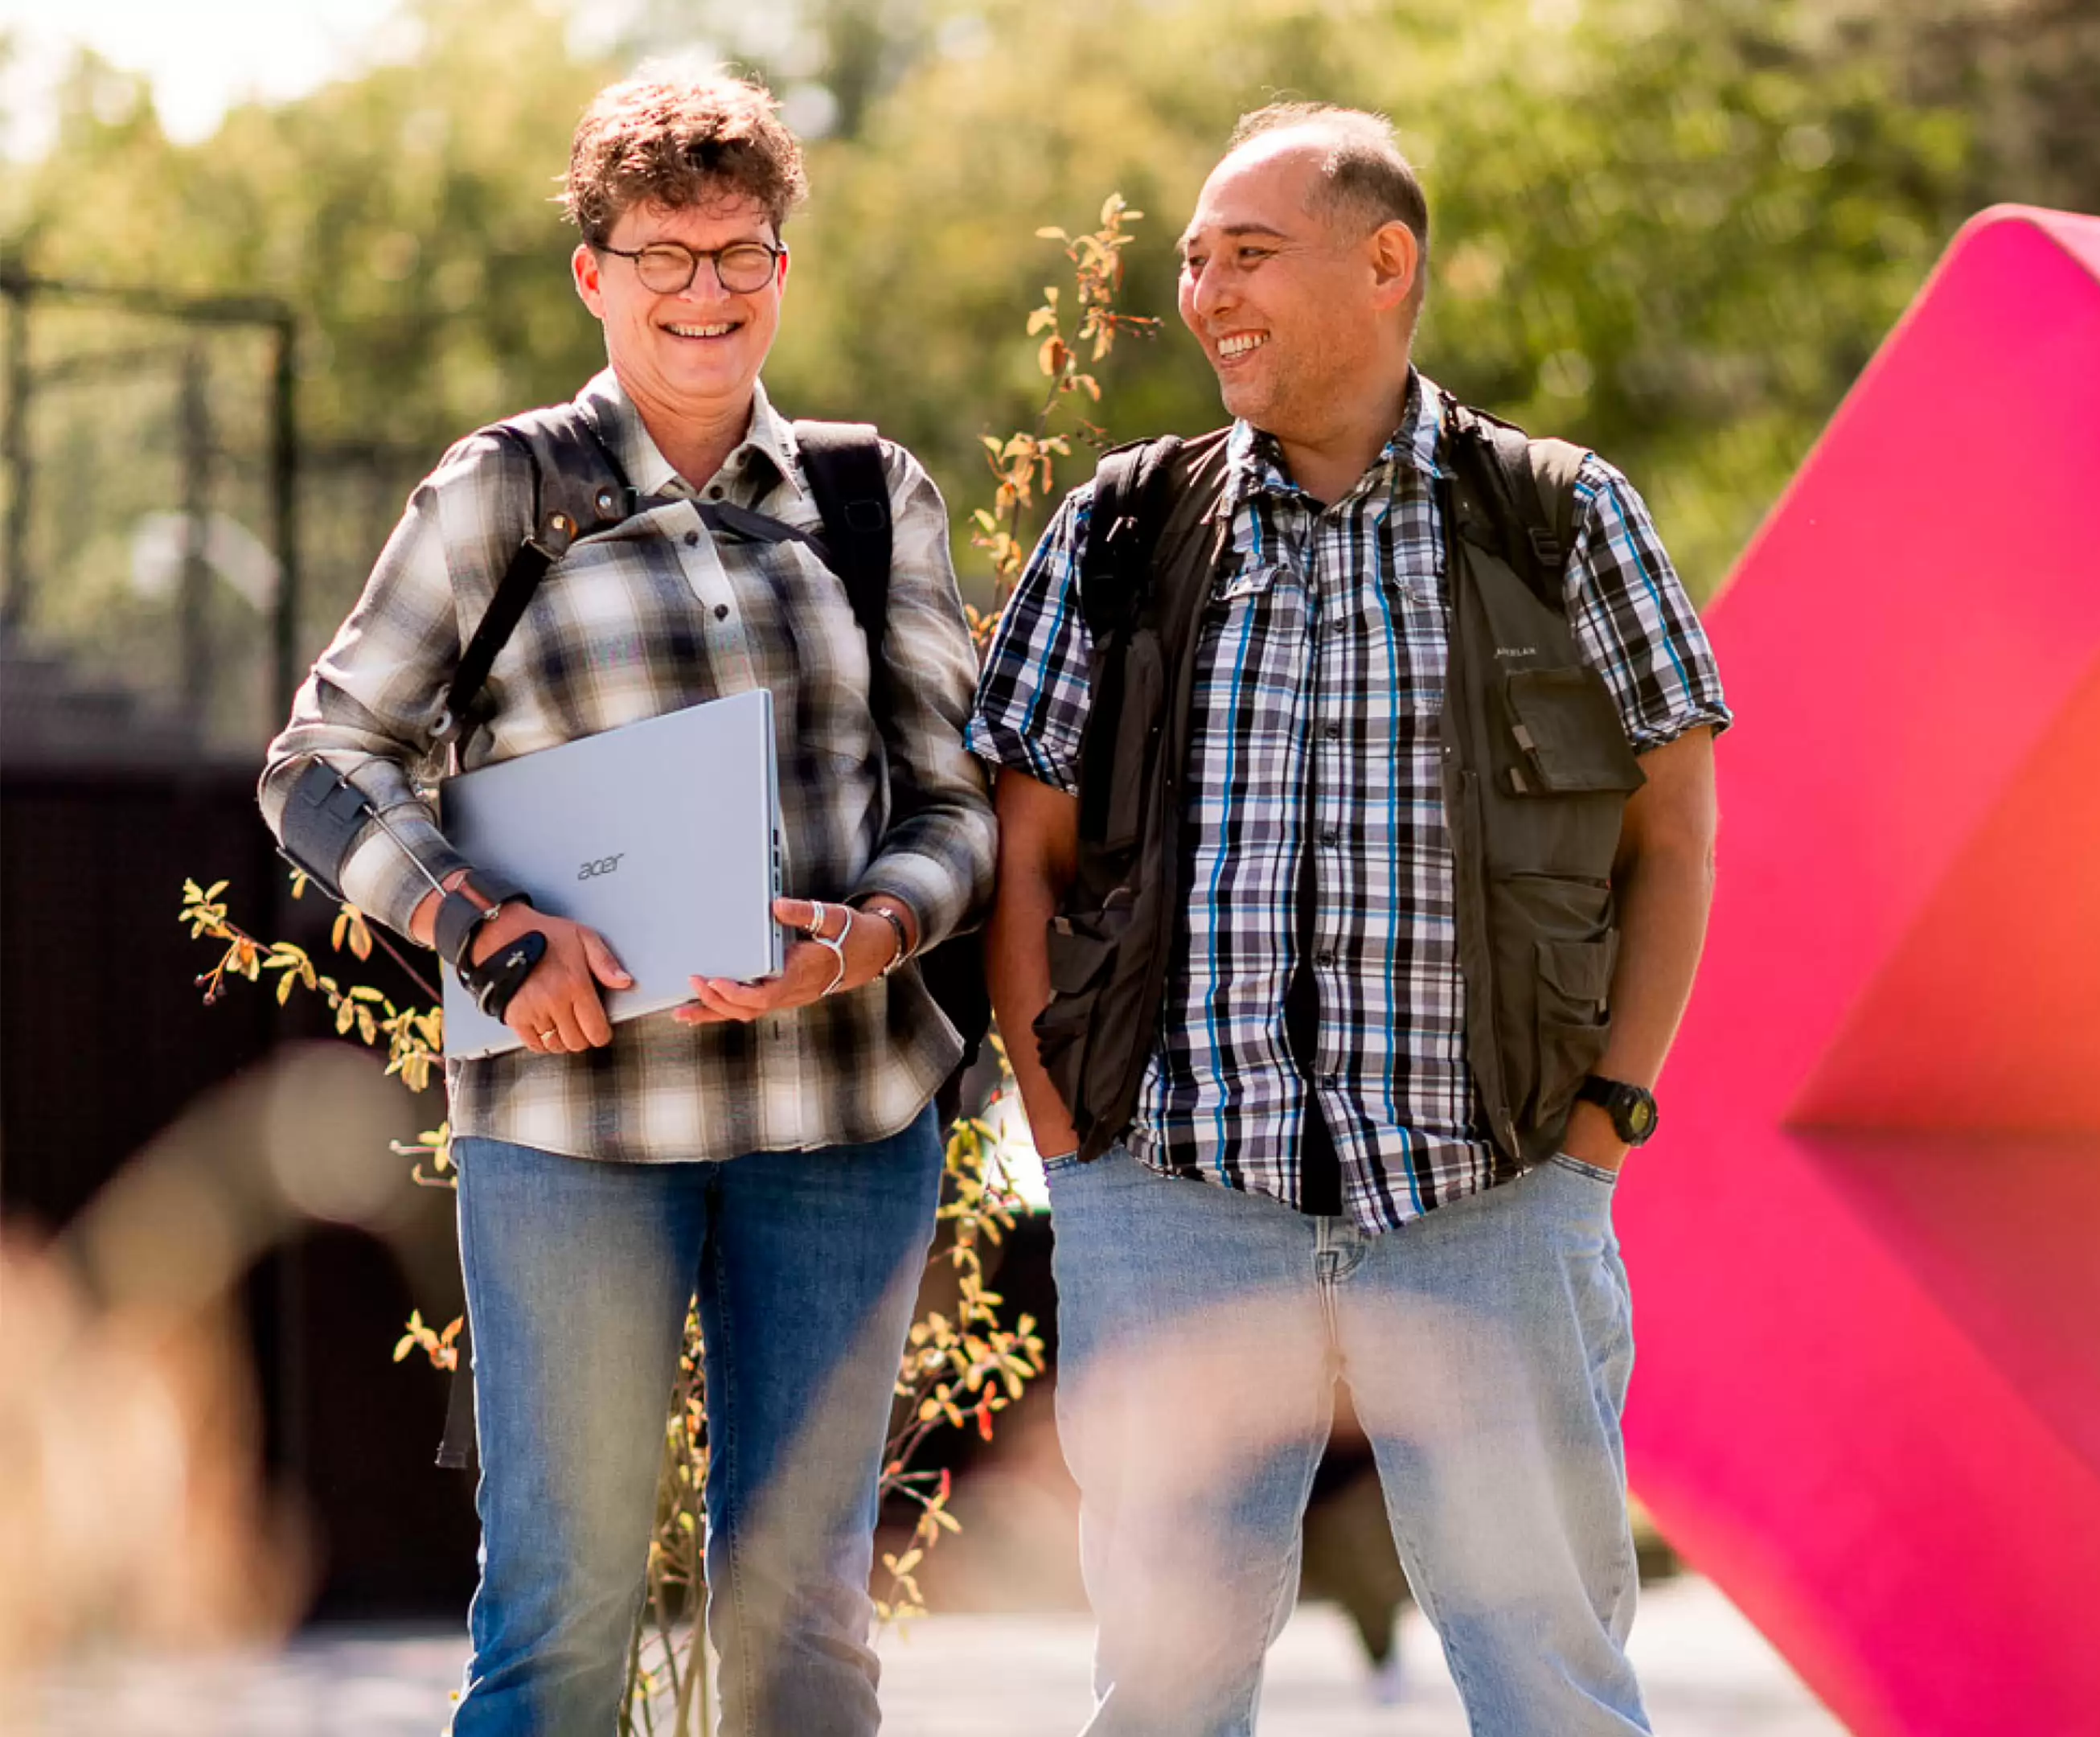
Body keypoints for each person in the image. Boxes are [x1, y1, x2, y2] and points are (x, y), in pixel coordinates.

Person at [974, 103, 1729, 1735]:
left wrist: (1598, 1131)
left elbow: (1676, 836)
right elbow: (1018, 853)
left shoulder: (1563, 517)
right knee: (1164, 1690)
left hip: (1493, 1192)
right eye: (1191, 260)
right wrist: (1078, 1167)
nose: (1204, 293)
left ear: (1386, 263)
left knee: (1553, 1679)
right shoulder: (1120, 528)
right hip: (1176, 1195)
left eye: (1248, 253)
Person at [260, 72, 993, 1736]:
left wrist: (871, 935)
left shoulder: (875, 503)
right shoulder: (501, 492)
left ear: (783, 271)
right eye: (664, 253)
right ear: (593, 272)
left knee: (806, 1636)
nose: (707, 292)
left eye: (741, 253)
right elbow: (318, 765)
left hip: (841, 1121)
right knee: (559, 1630)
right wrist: (490, 936)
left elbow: (956, 804)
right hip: (573, 1135)